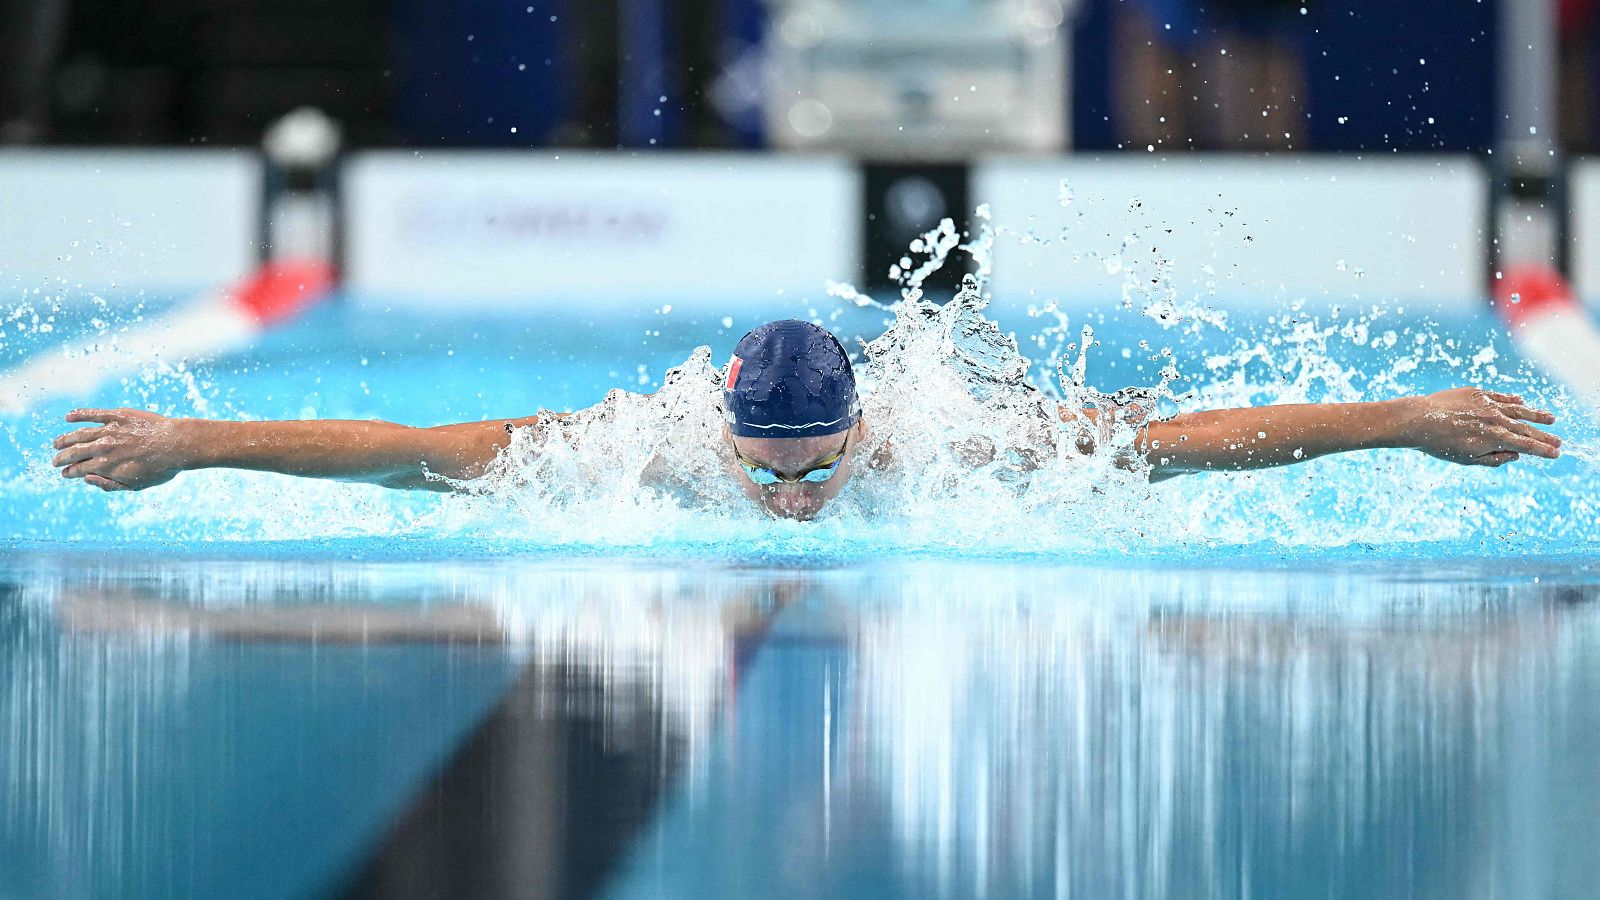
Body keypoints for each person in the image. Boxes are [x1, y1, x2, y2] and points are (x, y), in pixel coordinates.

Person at [49, 319, 1562, 522]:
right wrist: (188, 443)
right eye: (767, 473)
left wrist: (1409, 418)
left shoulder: (924, 440)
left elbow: (1205, 443)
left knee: (1095, 436)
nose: (791, 502)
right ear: (723, 431)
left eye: (816, 471)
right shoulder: (633, 445)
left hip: (961, 413)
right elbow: (399, 454)